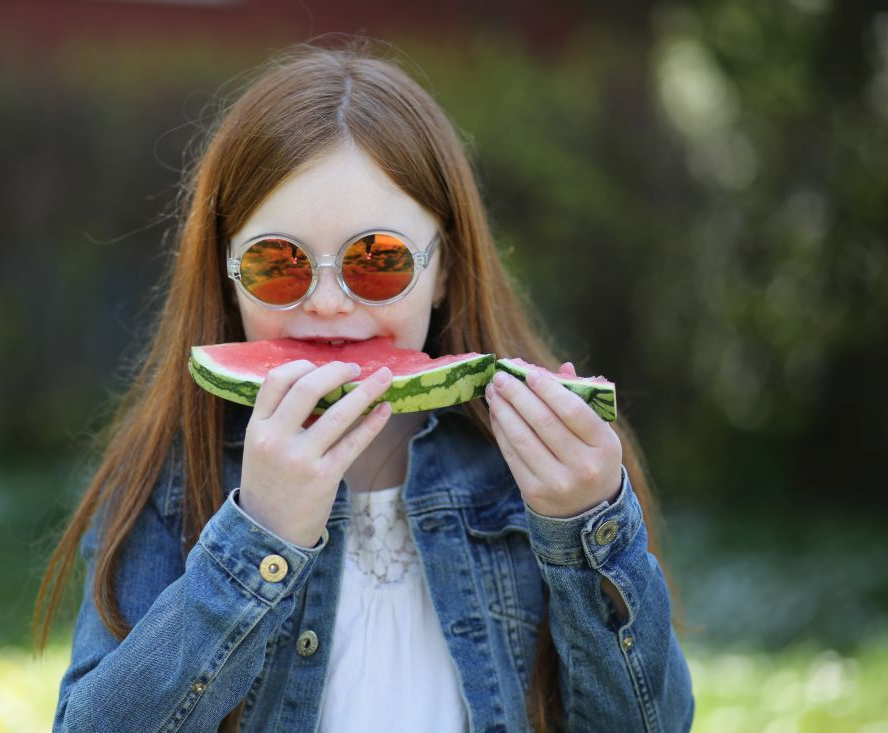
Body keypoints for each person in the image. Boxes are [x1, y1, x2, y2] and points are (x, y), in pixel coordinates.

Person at [34, 36, 695, 733]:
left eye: (377, 260)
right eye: (277, 264)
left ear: (445, 269)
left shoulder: (537, 476)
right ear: (226, 274)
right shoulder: (172, 478)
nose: (326, 303)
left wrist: (588, 528)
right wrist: (258, 535)